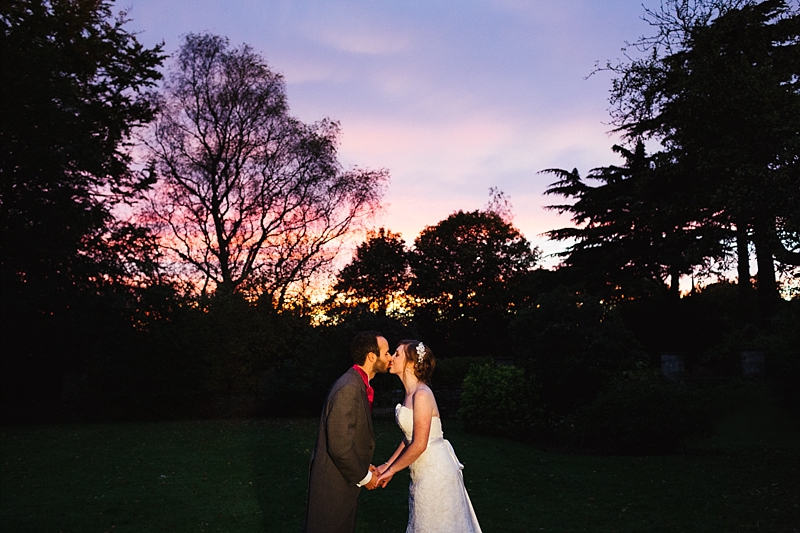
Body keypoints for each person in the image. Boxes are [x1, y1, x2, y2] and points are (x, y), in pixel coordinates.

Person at [375, 340, 482, 532]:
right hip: (421, 470)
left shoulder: (422, 395)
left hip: (435, 471)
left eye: (397, 354)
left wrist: (392, 471)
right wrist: (387, 464)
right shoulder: (410, 394)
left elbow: (419, 444)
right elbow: (409, 437)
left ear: (410, 363)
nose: (391, 357)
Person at [304, 331, 392, 533]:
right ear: (372, 356)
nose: (389, 357)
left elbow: (349, 436)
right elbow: (340, 446)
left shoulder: (357, 384)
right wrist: (365, 477)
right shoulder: (349, 387)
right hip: (332, 487)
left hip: (343, 481)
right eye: (386, 353)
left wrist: (364, 465)